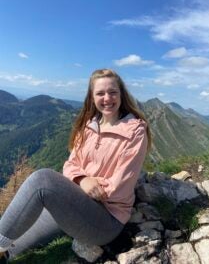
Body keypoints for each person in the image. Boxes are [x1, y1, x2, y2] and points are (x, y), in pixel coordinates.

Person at [0, 68, 151, 263]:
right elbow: (70, 165)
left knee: (42, 180)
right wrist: (82, 179)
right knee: (12, 246)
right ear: (92, 97)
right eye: (100, 93)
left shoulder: (135, 132)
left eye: (113, 92)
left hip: (106, 220)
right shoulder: (89, 126)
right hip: (78, 203)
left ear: (121, 94)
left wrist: (87, 185)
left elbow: (119, 188)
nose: (107, 98)